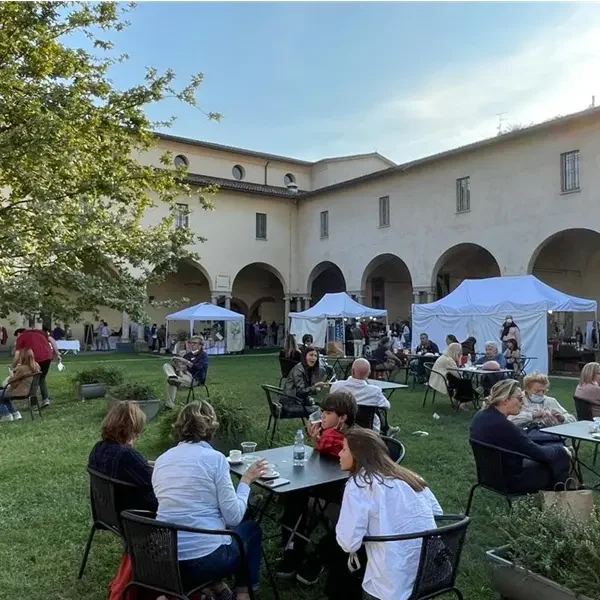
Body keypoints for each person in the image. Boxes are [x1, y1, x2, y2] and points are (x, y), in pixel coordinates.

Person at [152, 402, 267, 600]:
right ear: (211, 427)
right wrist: (246, 480)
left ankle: (217, 588)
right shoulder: (215, 459)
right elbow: (234, 517)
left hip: (165, 562)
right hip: (205, 560)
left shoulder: (162, 460)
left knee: (212, 532)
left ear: (180, 427)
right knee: (250, 529)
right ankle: (243, 593)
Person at [331, 428, 443, 600]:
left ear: (358, 455)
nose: (339, 453)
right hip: (432, 572)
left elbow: (348, 543)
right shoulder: (410, 476)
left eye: (344, 449)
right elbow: (437, 513)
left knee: (341, 559)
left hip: (391, 585)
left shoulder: (359, 485)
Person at [276, 391, 357, 585]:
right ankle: (294, 546)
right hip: (329, 488)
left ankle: (298, 549)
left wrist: (317, 438)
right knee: (298, 495)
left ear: (343, 417)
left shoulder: (340, 437)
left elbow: (325, 450)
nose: (322, 416)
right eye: (323, 411)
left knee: (297, 496)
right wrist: (316, 440)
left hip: (344, 497)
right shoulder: (338, 434)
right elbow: (323, 457)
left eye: (328, 413)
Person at [470, 379, 571, 492]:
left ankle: (566, 492)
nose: (522, 402)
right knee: (559, 460)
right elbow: (541, 454)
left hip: (488, 476)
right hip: (510, 481)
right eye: (519, 398)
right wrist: (563, 450)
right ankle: (568, 496)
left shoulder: (480, 416)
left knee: (555, 459)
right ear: (505, 400)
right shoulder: (504, 425)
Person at [88, 401, 157, 511]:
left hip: (109, 512)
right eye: (137, 430)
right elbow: (155, 482)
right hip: (136, 515)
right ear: (132, 429)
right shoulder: (127, 455)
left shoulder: (98, 448)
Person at [331, 358, 397, 434]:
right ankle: (387, 429)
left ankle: (387, 429)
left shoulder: (336, 386)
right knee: (377, 410)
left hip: (339, 427)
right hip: (367, 431)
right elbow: (386, 406)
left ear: (352, 371)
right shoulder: (375, 391)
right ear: (368, 373)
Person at [509, 372, 575, 443]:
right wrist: (532, 415)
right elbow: (509, 421)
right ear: (527, 389)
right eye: (537, 391)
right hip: (525, 439)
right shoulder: (518, 400)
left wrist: (562, 418)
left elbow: (573, 421)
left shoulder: (550, 401)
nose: (541, 394)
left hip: (550, 437)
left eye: (543, 391)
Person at [13, 327, 58, 408]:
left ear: (19, 333)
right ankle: (45, 399)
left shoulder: (21, 336)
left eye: (16, 336)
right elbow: (52, 340)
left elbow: (17, 354)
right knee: (41, 378)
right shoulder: (39, 332)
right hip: (47, 357)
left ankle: (33, 403)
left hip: (35, 359)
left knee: (32, 380)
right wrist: (57, 353)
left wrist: (13, 366)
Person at [163, 337, 209, 409]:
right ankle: (173, 376)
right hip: (183, 374)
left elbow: (197, 368)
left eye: (194, 343)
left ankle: (169, 404)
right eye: (190, 343)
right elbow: (182, 368)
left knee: (170, 382)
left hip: (195, 378)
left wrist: (185, 361)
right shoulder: (188, 355)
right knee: (166, 365)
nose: (192, 345)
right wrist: (177, 364)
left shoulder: (203, 355)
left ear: (200, 345)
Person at [0, 348, 40, 422]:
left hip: (19, 392)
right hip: (30, 391)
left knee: (1, 394)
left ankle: (5, 415)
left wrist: (11, 374)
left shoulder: (22, 368)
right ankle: (15, 413)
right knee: (2, 395)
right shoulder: (36, 365)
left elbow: (13, 383)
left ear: (22, 357)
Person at [283, 346, 328, 411]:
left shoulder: (308, 369)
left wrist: (319, 387)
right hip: (291, 402)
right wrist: (316, 385)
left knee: (325, 406)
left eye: (315, 356)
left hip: (300, 400)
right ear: (304, 356)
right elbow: (300, 392)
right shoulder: (298, 370)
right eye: (311, 355)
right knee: (319, 410)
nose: (313, 358)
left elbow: (307, 390)